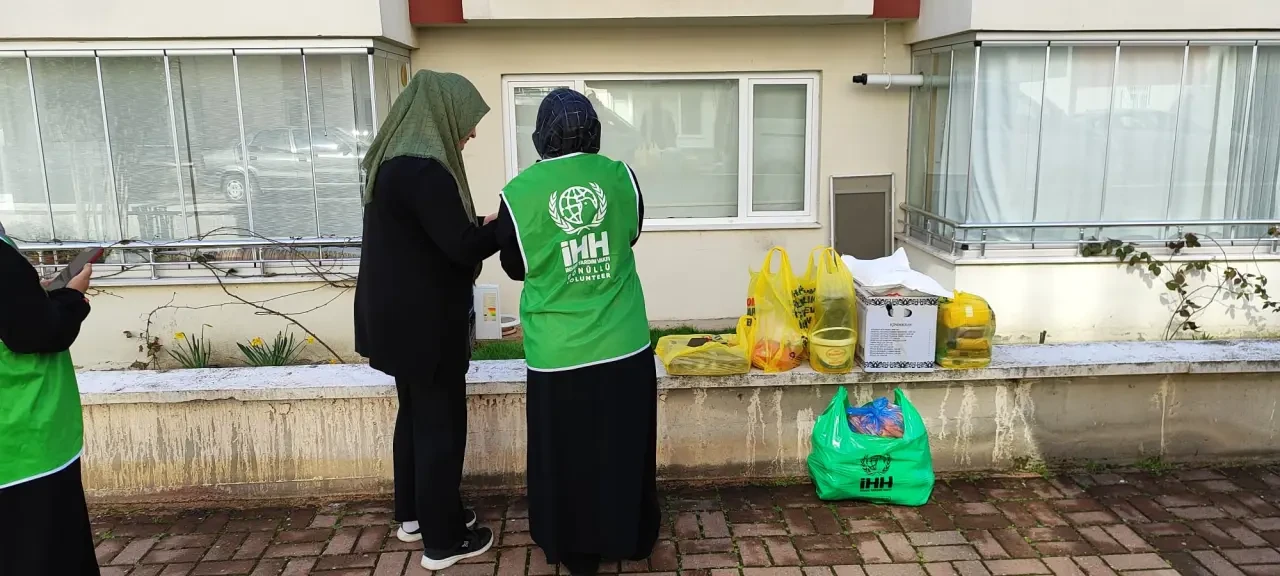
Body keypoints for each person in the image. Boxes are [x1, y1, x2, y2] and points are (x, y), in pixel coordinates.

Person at [492, 88, 660, 576]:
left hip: (558, 353)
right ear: (595, 131)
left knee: (566, 457)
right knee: (624, 446)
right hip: (624, 345)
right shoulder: (620, 178)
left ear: (540, 137)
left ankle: (576, 548)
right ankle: (628, 535)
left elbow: (516, 266)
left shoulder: (518, 194)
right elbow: (628, 234)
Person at [353, 70, 499, 571]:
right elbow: (459, 249)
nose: (472, 132)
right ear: (442, 111)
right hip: (427, 328)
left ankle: (414, 516)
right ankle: (444, 541)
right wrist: (504, 225)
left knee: (414, 419)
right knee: (441, 428)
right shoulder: (427, 170)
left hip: (395, 324)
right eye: (468, 119)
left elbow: (429, 236)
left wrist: (470, 227)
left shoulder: (392, 165)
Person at [0, 221, 100, 575]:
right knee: (42, 551)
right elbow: (38, 332)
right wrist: (72, 297)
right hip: (22, 441)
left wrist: (30, 296)